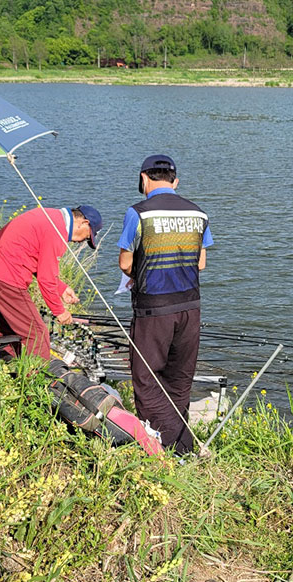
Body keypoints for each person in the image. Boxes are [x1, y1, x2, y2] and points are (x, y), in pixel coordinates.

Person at [118, 155, 212, 454]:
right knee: (180, 378)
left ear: (144, 179)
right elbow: (201, 264)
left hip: (153, 309)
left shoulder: (138, 213)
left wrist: (140, 274)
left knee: (146, 378)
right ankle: (183, 446)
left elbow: (125, 263)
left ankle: (161, 448)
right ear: (175, 182)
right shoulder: (198, 213)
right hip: (190, 306)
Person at [0, 205, 103, 361]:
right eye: (88, 236)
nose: (84, 241)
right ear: (84, 223)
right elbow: (46, 279)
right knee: (36, 334)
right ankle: (37, 381)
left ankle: (4, 371)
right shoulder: (57, 230)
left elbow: (35, 260)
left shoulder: (52, 217)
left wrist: (61, 289)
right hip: (6, 279)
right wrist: (59, 311)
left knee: (9, 332)